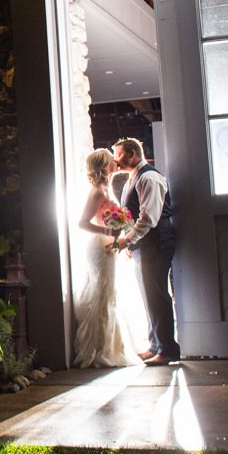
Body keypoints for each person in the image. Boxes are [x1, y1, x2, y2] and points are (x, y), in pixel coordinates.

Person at [110, 137, 179, 365]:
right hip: (145, 242)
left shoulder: (149, 177)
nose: (115, 160)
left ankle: (168, 350)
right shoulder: (132, 178)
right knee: (148, 294)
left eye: (118, 154)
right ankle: (155, 345)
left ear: (132, 153)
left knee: (156, 294)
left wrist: (127, 240)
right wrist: (131, 243)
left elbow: (149, 218)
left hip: (157, 240)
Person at [72, 148, 135, 367]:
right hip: (99, 247)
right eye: (111, 159)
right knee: (103, 292)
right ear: (104, 165)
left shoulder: (106, 188)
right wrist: (107, 231)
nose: (115, 161)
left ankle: (111, 347)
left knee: (109, 292)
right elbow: (82, 222)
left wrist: (120, 238)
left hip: (109, 245)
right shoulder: (98, 191)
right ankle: (98, 349)